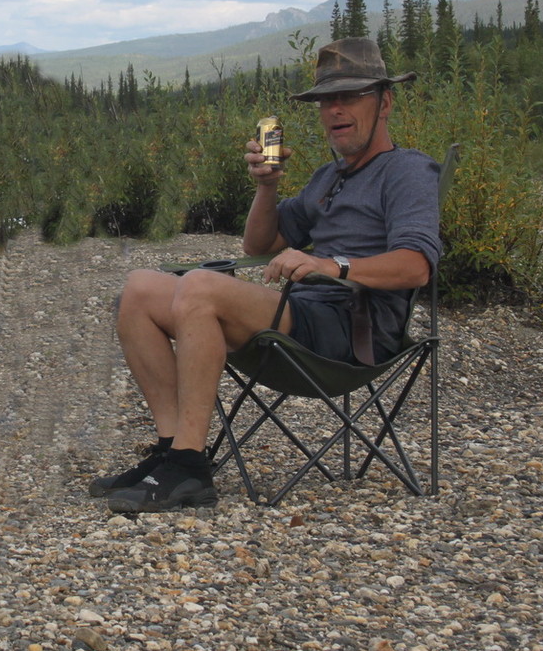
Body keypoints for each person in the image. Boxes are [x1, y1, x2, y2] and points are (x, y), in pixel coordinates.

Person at [94, 37, 442, 513]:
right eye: (326, 100)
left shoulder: (408, 170)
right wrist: (267, 186)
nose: (335, 110)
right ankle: (170, 451)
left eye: (350, 96)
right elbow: (260, 246)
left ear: (385, 102)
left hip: (353, 332)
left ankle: (191, 467)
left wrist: (329, 264)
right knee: (140, 288)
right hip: (304, 317)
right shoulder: (328, 177)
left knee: (199, 287)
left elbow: (417, 264)